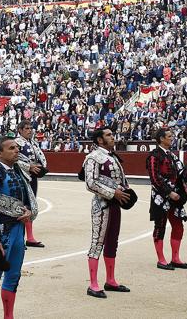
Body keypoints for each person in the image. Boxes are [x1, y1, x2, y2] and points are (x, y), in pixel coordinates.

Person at [0, 134, 35, 319]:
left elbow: (27, 200)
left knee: (13, 275)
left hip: (18, 230)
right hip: (1, 231)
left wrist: (29, 212)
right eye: (11, 148)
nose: (16, 150)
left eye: (17, 147)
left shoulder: (18, 171)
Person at [82, 127, 132, 298]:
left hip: (115, 205)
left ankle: (110, 280)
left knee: (112, 242)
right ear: (99, 140)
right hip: (101, 205)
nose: (113, 137)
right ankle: (93, 284)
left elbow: (121, 179)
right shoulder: (92, 157)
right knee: (97, 242)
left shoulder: (111, 156)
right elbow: (90, 183)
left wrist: (126, 191)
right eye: (109, 135)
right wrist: (113, 193)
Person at [146, 126, 187, 271]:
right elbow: (155, 178)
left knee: (178, 225)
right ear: (161, 139)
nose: (172, 138)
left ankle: (175, 258)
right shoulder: (154, 155)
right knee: (160, 226)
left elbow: (182, 174)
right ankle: (161, 259)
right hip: (161, 196)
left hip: (175, 196)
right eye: (169, 136)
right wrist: (169, 192)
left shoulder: (172, 155)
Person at [14, 121, 48, 247]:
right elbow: (14, 160)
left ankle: (30, 237)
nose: (30, 130)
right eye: (27, 128)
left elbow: (41, 158)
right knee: (21, 205)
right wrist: (29, 167)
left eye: (31, 128)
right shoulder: (16, 142)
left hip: (32, 177)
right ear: (20, 130)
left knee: (30, 204)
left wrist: (42, 168)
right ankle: (19, 238)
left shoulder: (33, 143)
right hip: (21, 176)